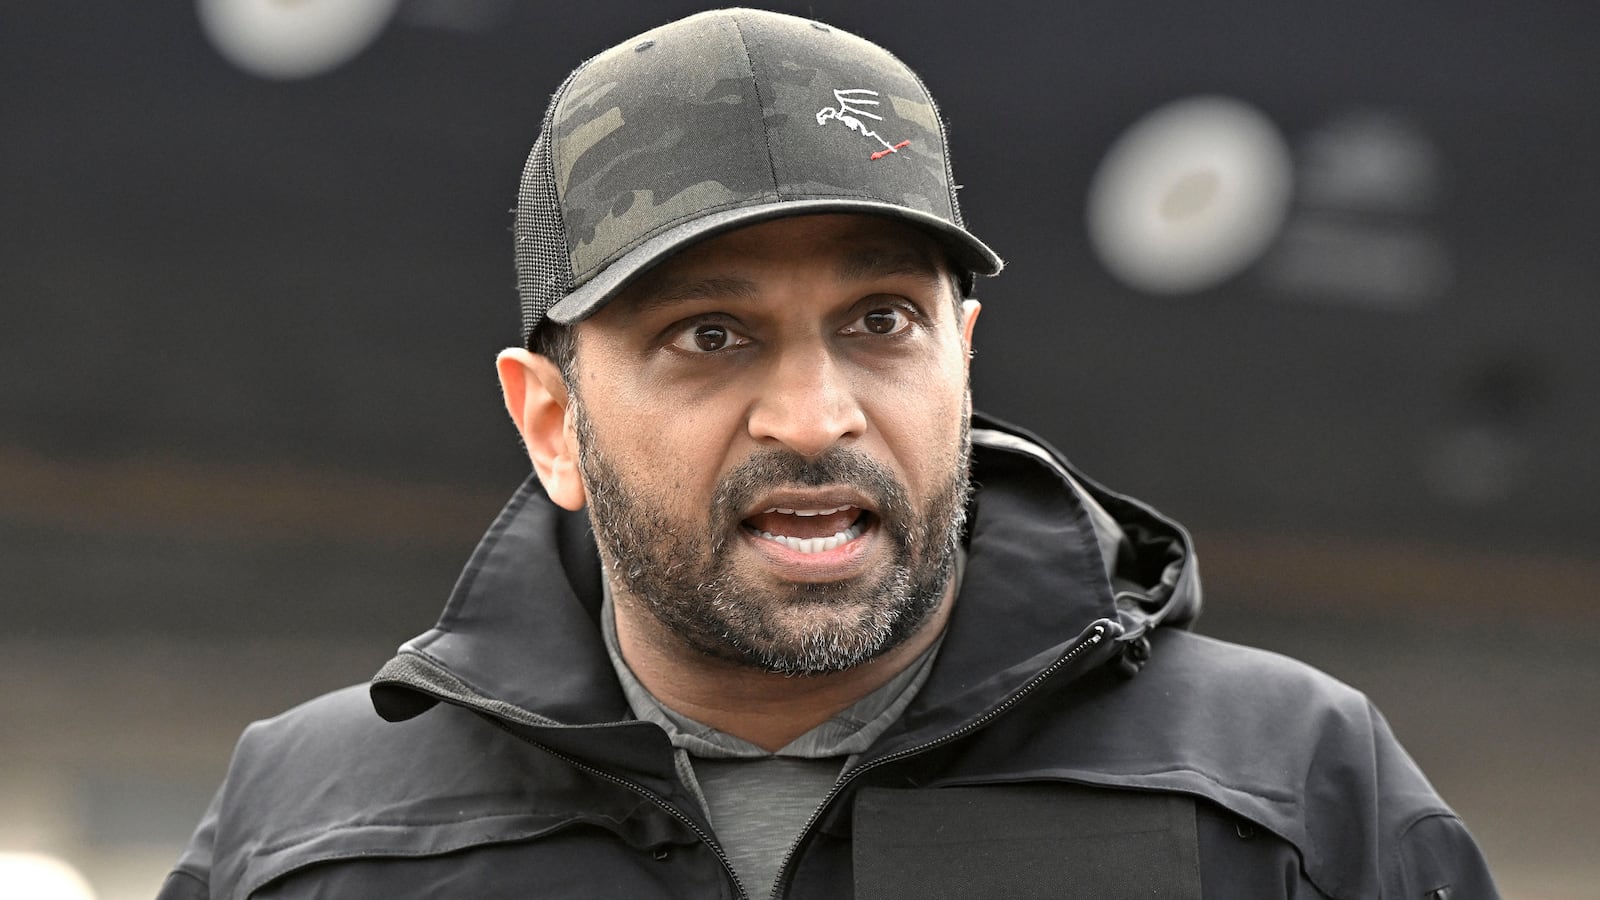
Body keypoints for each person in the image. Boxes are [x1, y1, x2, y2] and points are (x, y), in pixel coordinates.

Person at [159, 8, 1499, 899]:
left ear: (962, 356)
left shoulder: (1285, 798)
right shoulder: (313, 838)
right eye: (708, 335)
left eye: (881, 322)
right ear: (551, 424)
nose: (813, 417)